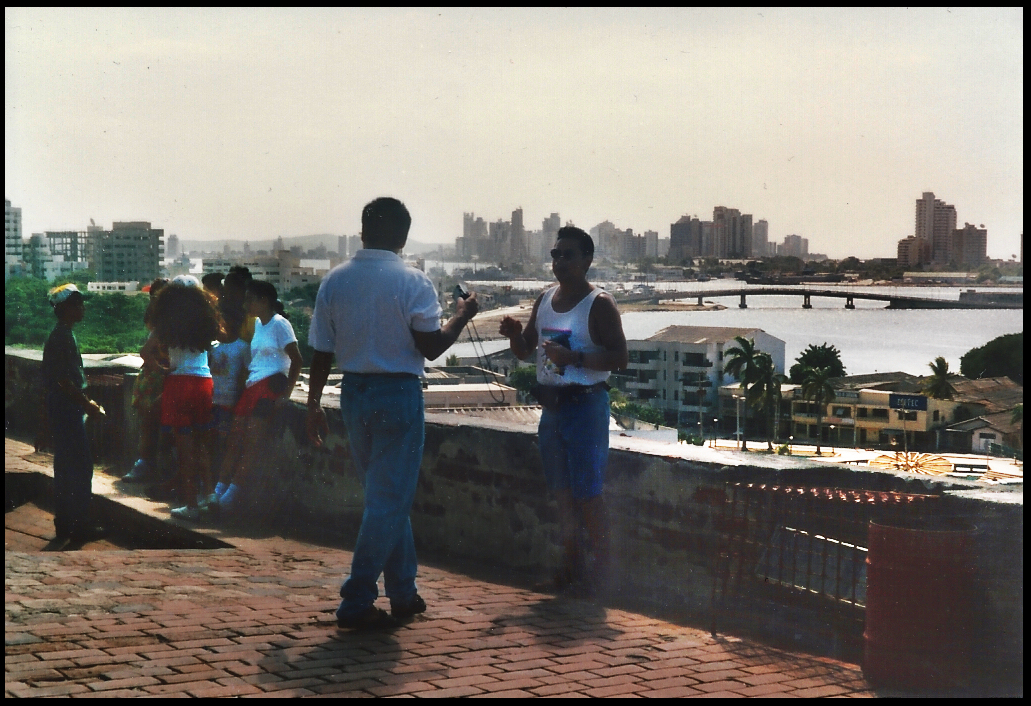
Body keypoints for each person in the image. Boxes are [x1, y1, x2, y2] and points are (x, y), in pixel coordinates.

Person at [307, 196, 479, 630]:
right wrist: (462, 316)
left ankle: (403, 592)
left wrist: (312, 403)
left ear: (363, 232)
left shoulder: (335, 281)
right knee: (389, 498)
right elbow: (432, 348)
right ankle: (357, 597)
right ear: (403, 237)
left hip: (354, 393)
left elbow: (321, 351)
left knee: (385, 497)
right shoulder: (413, 282)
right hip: (398, 394)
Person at [499, 226, 628, 596]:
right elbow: (526, 351)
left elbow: (620, 358)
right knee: (562, 494)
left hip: (585, 406)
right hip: (552, 410)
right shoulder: (545, 300)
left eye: (569, 255)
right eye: (556, 255)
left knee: (588, 495)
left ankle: (601, 579)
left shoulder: (599, 304)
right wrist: (513, 335)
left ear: (587, 260)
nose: (560, 262)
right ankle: (570, 571)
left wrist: (575, 358)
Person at [212, 279, 302, 513]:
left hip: (269, 386)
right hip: (253, 385)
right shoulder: (259, 325)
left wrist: (286, 393)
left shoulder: (280, 324)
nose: (247, 304)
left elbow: (297, 359)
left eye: (251, 299)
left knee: (252, 444)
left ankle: (230, 497)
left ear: (264, 300)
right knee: (235, 441)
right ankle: (218, 492)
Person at [151, 275, 225, 521]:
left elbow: (145, 353)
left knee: (185, 448)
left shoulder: (165, 323)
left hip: (178, 382)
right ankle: (210, 494)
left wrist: (162, 369)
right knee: (203, 442)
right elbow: (223, 336)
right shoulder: (206, 321)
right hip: (204, 381)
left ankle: (191, 504)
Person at [41, 283, 107, 542]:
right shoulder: (62, 337)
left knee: (67, 466)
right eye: (78, 304)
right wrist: (87, 404)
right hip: (67, 407)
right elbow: (64, 381)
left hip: (62, 406)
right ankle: (79, 525)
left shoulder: (62, 334)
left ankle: (67, 523)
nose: (82, 308)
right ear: (67, 308)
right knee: (80, 467)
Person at [125, 278, 170, 483]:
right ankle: (147, 466)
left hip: (152, 378)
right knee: (152, 426)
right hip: (156, 378)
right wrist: (163, 371)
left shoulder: (156, 317)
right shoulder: (162, 322)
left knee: (151, 425)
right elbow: (145, 352)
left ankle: (148, 465)